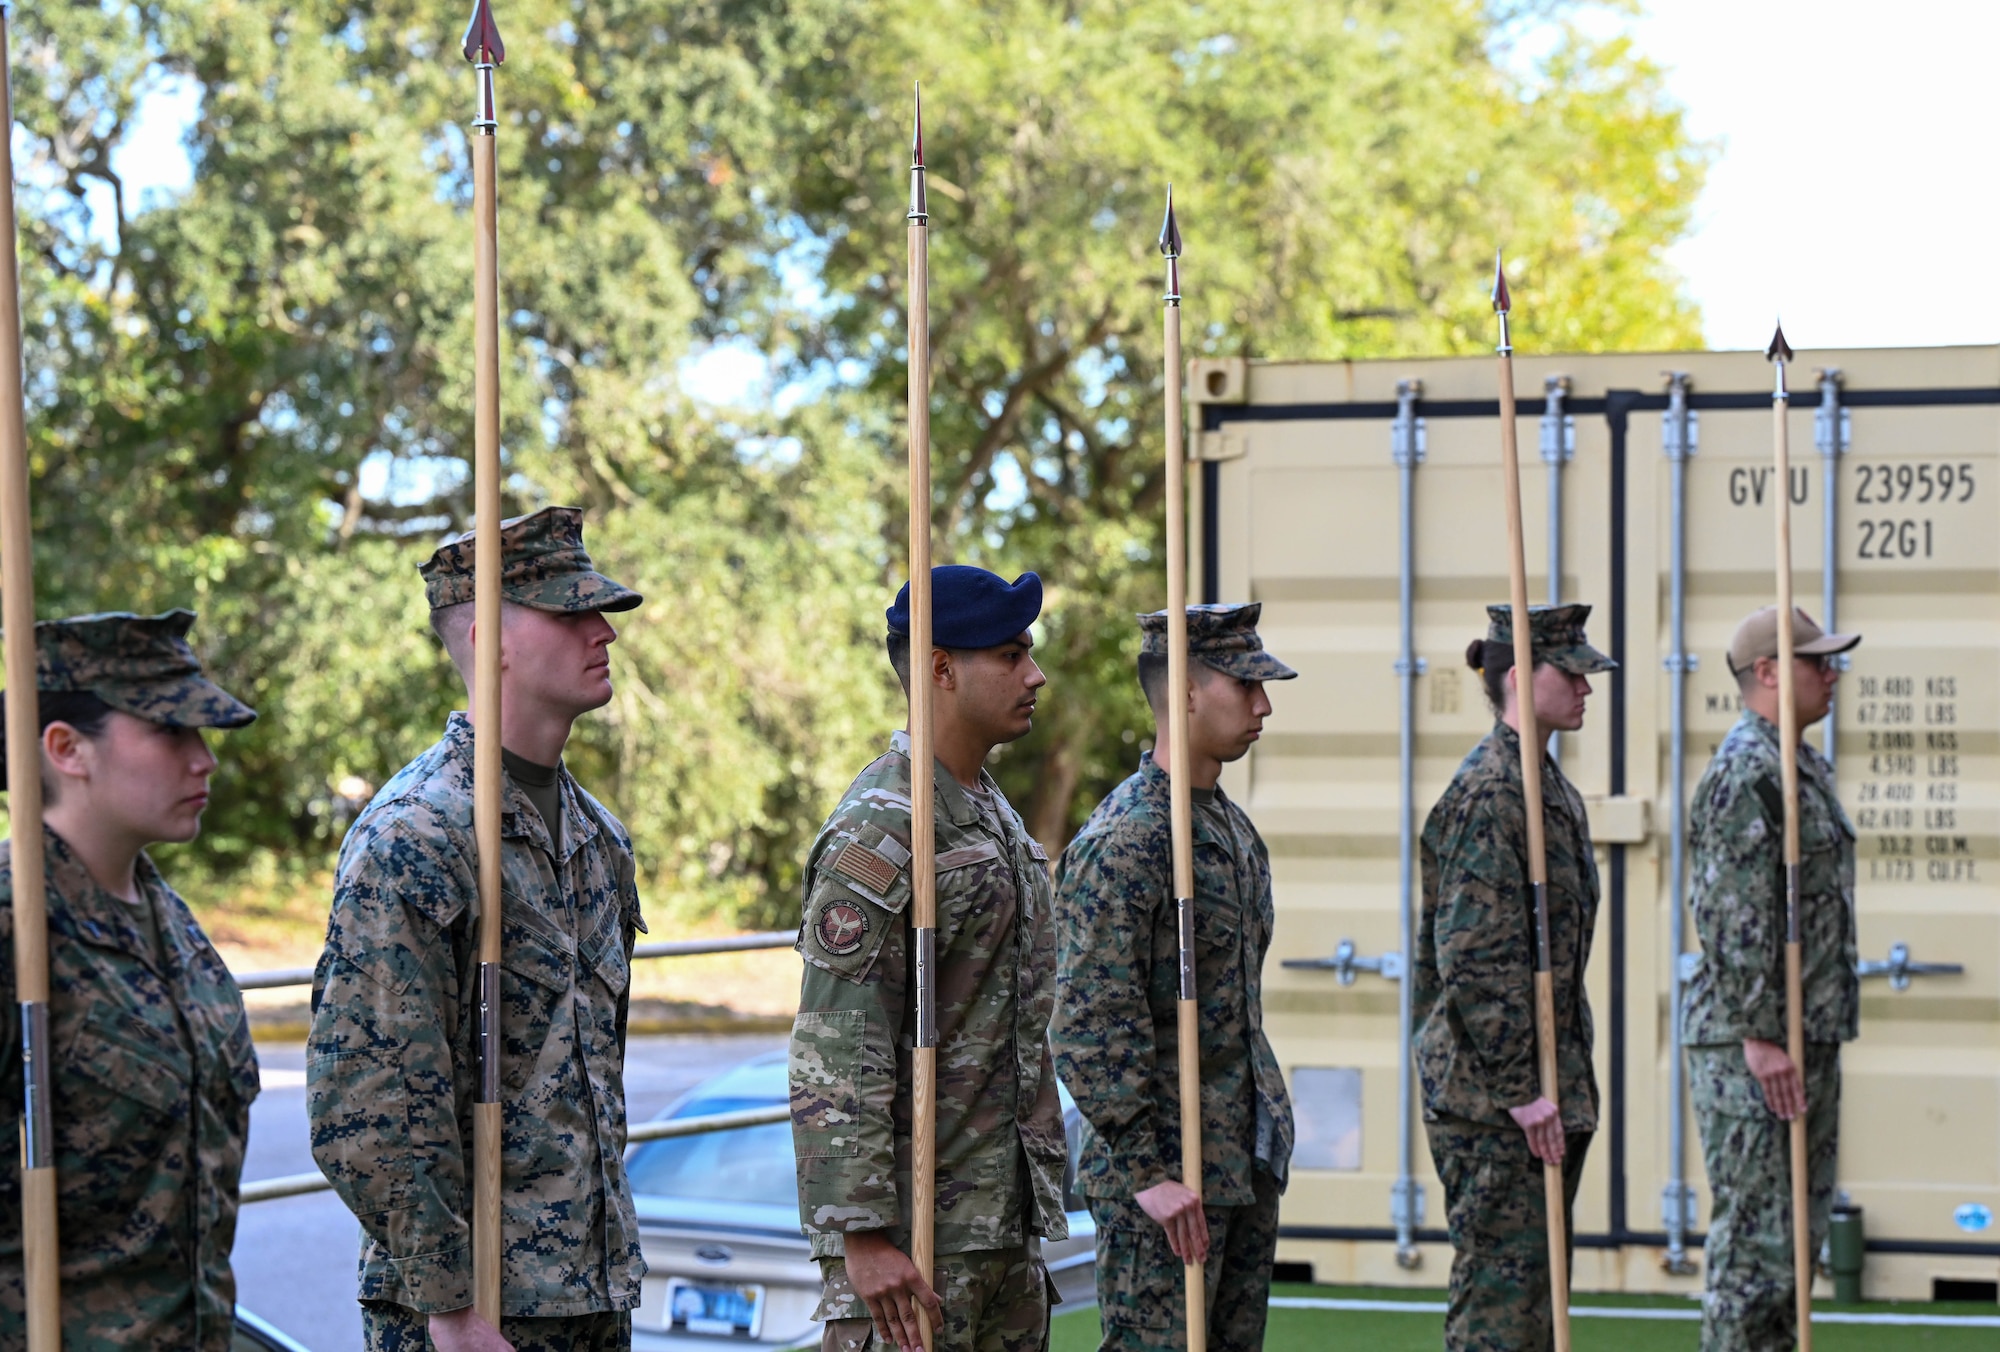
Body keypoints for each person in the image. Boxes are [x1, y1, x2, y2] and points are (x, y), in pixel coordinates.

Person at [308, 507, 648, 1352]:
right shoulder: (418, 834)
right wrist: (449, 1301)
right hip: (471, 1310)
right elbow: (369, 1097)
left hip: (589, 1294)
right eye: (571, 612)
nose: (601, 630)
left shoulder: (596, 836)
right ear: (493, 639)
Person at [789, 565, 1069, 1352]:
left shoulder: (986, 810)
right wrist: (862, 1235)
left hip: (996, 1221)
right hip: (915, 1238)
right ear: (940, 668)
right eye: (1011, 655)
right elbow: (839, 1043)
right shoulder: (885, 828)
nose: (1035, 674)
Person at [0, 610, 259, 1348]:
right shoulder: (14, 928)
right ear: (66, 748)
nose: (204, 759)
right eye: (172, 732)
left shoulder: (174, 928)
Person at [1050, 602, 1298, 1352]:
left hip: (1236, 1159)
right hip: (1167, 1177)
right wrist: (1147, 1172)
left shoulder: (1225, 826)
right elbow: (1089, 1019)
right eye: (1245, 685)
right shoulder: (1129, 839)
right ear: (1188, 691)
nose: (1264, 704)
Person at [1412, 602, 1614, 1352]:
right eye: (1575, 672)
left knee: (1533, 1297)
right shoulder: (1493, 791)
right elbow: (1475, 957)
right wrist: (1523, 1088)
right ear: (1524, 678)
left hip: (1539, 1087)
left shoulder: (1542, 785)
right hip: (1494, 1099)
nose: (1589, 687)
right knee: (1501, 1305)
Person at [1683, 606, 1860, 1352]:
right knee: (1757, 1252)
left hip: (1802, 1032)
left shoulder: (1798, 762)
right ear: (1766, 673)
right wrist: (1761, 1033)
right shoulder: (1747, 770)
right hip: (1754, 1041)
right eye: (1816, 661)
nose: (1832, 673)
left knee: (1793, 1247)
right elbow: (1730, 913)